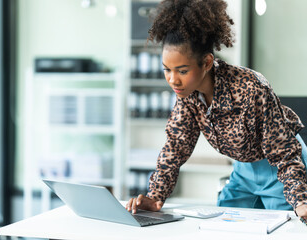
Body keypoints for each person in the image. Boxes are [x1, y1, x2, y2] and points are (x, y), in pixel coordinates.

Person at [125, 0, 307, 224]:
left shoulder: (251, 89)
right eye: (167, 70)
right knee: (222, 225)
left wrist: (300, 199)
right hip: (243, 170)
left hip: (279, 168)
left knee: (287, 227)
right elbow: (175, 147)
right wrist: (155, 196)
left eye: (182, 70)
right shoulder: (187, 95)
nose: (173, 79)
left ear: (207, 62)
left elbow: (283, 152)